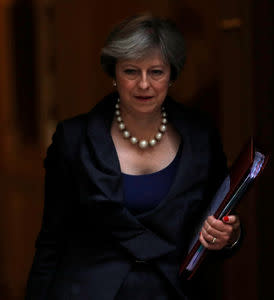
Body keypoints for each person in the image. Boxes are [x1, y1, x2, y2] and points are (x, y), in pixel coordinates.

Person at [25, 15, 241, 300]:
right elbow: (51, 242)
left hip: (173, 291)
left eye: (156, 72)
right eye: (130, 71)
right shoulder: (72, 139)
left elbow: (218, 220)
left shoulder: (201, 136)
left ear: (172, 75)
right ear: (113, 74)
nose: (143, 84)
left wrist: (230, 236)